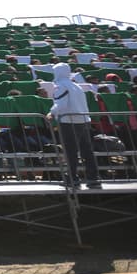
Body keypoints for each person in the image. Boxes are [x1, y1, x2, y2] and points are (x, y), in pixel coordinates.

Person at [48, 61, 101, 189]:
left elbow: (61, 104)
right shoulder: (76, 86)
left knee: (70, 151)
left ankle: (72, 178)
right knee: (87, 151)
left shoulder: (60, 86)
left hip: (68, 121)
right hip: (83, 121)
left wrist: (51, 113)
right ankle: (93, 178)